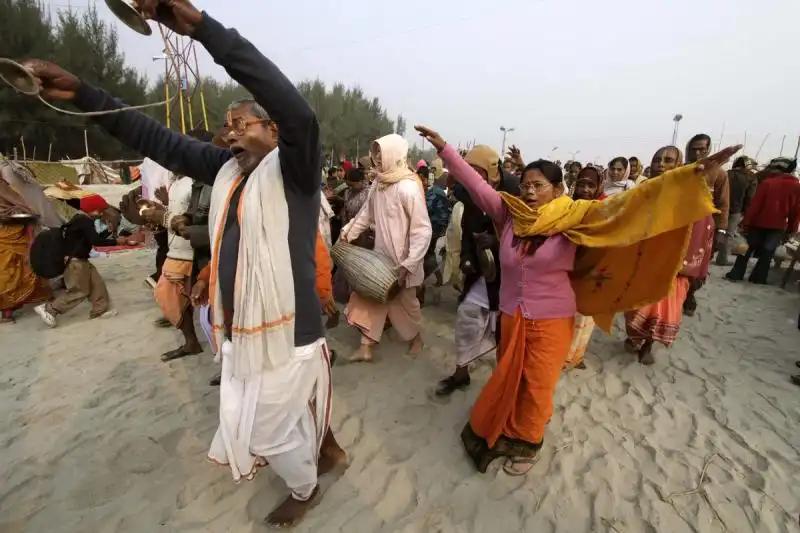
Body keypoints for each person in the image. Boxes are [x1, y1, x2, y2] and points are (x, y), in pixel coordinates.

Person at [22, 2, 345, 525]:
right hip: (241, 323)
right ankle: (329, 450)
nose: (231, 133)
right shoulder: (227, 172)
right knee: (290, 404)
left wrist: (199, 29)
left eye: (242, 123)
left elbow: (299, 111)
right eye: (226, 127)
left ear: (274, 129)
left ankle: (306, 488)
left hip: (291, 327)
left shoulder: (297, 171)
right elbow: (155, 139)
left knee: (268, 425)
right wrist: (82, 93)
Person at [417, 124, 738, 476]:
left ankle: (527, 443)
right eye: (525, 185)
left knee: (538, 383)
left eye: (538, 185)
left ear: (557, 189)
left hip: (552, 319)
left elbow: (634, 204)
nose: (530, 192)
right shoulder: (510, 214)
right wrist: (446, 149)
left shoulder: (579, 216)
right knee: (511, 377)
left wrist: (693, 175)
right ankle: (510, 424)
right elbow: (477, 186)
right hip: (511, 314)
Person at [340, 134, 432, 362]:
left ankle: (416, 339)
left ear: (395, 155)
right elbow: (365, 215)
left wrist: (410, 263)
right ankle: (366, 348)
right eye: (376, 154)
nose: (377, 159)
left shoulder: (408, 188)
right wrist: (347, 233)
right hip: (380, 261)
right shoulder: (378, 185)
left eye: (382, 154)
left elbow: (422, 230)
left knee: (407, 306)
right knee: (370, 299)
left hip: (403, 262)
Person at [436, 145, 519, 396]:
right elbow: (468, 228)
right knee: (466, 319)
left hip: (512, 275)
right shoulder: (466, 192)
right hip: (482, 271)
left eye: (476, 171)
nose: (471, 176)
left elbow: (525, 233)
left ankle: (505, 383)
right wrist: (468, 258)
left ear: (492, 170)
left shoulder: (514, 191)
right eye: (467, 170)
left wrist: (498, 241)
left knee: (506, 331)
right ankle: (462, 373)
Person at [623, 145, 712, 362]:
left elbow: (703, 227)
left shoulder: (692, 195)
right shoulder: (643, 191)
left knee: (661, 309)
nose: (661, 164)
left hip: (675, 264)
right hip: (644, 260)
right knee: (634, 307)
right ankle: (635, 336)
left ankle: (648, 345)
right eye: (657, 159)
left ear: (678, 165)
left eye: (668, 160)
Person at [33, 212, 127, 327]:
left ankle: (99, 311)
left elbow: (91, 238)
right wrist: (116, 242)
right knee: (79, 291)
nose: (102, 213)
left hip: (82, 260)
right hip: (76, 263)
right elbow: (95, 241)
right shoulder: (85, 221)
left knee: (97, 284)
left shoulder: (80, 219)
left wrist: (108, 231)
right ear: (92, 209)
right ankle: (50, 309)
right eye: (100, 210)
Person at [726, 157, 800, 284]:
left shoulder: (768, 183)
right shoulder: (796, 186)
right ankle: (758, 278)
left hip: (757, 222)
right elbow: (796, 211)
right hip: (778, 226)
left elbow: (755, 205)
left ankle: (736, 273)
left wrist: (746, 222)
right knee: (767, 254)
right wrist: (791, 229)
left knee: (746, 250)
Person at [563, 166, 605, 370]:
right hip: (567, 271)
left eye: (591, 185)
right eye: (581, 184)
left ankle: (576, 356)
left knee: (585, 319)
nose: (586, 189)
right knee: (565, 317)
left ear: (599, 187)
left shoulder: (605, 211)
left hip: (593, 272)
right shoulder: (565, 208)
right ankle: (562, 355)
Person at [683, 134, 730, 316]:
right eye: (694, 148)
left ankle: (690, 295)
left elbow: (723, 203)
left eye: (702, 149)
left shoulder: (719, 173)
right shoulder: (683, 170)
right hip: (680, 224)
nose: (697, 152)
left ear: (708, 149)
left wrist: (721, 230)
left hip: (703, 227)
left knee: (697, 265)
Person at [0, 179, 52, 323]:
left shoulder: (5, 190)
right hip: (8, 239)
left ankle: (7, 312)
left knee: (13, 275)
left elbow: (27, 214)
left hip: (14, 239)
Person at [716, 156, 756, 265]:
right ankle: (722, 259)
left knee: (715, 232)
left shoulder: (727, 173)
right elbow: (750, 198)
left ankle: (706, 256)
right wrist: (746, 213)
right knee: (729, 235)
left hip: (719, 207)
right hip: (736, 210)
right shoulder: (750, 178)